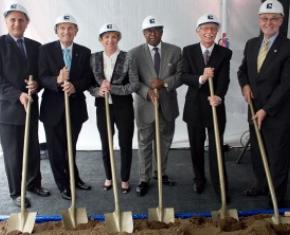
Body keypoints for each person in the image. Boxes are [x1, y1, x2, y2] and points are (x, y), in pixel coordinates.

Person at [238, 0, 290, 207]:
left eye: (274, 19)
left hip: (277, 114)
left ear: (281, 21)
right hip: (253, 109)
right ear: (259, 21)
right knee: (258, 152)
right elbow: (243, 71)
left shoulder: (287, 47)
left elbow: (286, 85)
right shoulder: (252, 44)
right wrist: (245, 86)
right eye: (265, 18)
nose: (269, 22)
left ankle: (275, 198)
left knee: (277, 157)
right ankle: (261, 184)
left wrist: (266, 109)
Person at [0, 3, 50, 208]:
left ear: (27, 23)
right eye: (12, 19)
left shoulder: (35, 46)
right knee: (13, 153)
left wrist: (36, 85)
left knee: (32, 149)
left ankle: (33, 183)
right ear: (6, 22)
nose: (17, 23)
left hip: (30, 108)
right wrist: (17, 94)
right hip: (8, 110)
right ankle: (16, 192)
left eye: (21, 19)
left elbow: (40, 75)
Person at [39, 14, 93, 200]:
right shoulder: (45, 50)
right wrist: (57, 80)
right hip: (52, 109)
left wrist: (75, 86)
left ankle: (74, 178)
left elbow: (88, 78)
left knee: (70, 147)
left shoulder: (85, 52)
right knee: (55, 149)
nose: (66, 31)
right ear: (56, 31)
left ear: (76, 31)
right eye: (62, 28)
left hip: (75, 108)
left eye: (70, 28)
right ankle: (63, 185)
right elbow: (41, 77)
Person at [129, 16, 182, 196]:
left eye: (156, 30)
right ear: (144, 34)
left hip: (167, 105)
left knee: (164, 141)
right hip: (145, 106)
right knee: (144, 143)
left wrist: (165, 83)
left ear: (161, 31)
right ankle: (144, 178)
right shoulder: (134, 54)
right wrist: (147, 91)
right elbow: (133, 80)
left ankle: (160, 173)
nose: (152, 34)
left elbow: (181, 75)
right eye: (148, 31)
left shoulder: (175, 51)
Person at [182, 14, 232, 199]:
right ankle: (199, 179)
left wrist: (218, 96)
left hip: (215, 106)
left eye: (212, 28)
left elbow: (225, 78)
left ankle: (220, 183)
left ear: (216, 31)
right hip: (194, 107)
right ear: (198, 31)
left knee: (216, 147)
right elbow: (183, 76)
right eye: (205, 28)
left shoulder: (224, 53)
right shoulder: (188, 51)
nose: (209, 32)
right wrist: (201, 78)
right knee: (196, 147)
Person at [89, 23, 139, 193]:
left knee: (125, 143)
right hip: (103, 108)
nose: (110, 40)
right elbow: (90, 87)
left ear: (118, 38)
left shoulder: (128, 57)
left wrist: (113, 89)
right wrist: (98, 91)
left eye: (114, 36)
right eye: (106, 37)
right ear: (101, 40)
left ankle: (124, 179)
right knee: (106, 144)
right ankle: (109, 177)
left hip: (124, 107)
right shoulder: (94, 58)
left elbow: (134, 85)